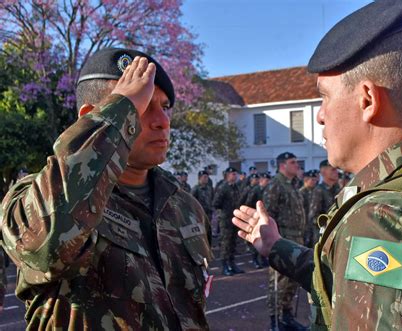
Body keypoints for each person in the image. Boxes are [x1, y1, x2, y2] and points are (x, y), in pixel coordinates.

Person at [232, 0, 402, 329]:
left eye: (325, 96)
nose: (319, 115)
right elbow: (343, 280)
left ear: (367, 100)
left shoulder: (380, 219)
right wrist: (276, 246)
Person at [1, 48, 212, 330]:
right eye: (143, 106)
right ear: (93, 117)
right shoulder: (36, 197)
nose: (162, 121)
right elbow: (48, 247)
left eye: (164, 107)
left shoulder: (184, 206)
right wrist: (118, 110)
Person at [263, 152, 307, 331]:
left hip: (296, 237)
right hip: (282, 238)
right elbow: (268, 214)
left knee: (292, 280)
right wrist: (273, 241)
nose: (297, 165)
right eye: (292, 162)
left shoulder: (293, 185)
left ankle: (287, 317)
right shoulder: (275, 185)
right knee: (278, 280)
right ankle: (275, 321)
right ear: (282, 166)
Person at [213, 167, 244, 276]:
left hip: (235, 218)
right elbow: (216, 202)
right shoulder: (223, 187)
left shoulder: (236, 187)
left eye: (235, 174)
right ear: (227, 175)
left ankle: (232, 264)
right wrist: (225, 210)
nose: (234, 176)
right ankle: (225, 266)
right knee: (225, 243)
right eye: (232, 174)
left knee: (232, 243)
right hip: (225, 219)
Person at [191, 170, 213, 245]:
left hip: (208, 214)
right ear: (200, 178)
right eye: (205, 177)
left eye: (207, 177)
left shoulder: (209, 188)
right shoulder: (195, 189)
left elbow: (212, 200)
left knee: (208, 232)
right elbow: (191, 202)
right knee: (200, 234)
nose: (206, 179)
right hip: (199, 215)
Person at [299, 170, 320, 247]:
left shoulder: (316, 191)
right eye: (312, 180)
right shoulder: (301, 192)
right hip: (304, 223)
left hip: (312, 223)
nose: (314, 182)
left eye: (315, 180)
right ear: (305, 180)